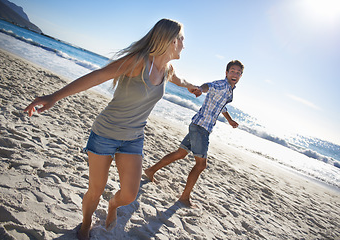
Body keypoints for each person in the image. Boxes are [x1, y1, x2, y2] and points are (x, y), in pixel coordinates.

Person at [24, 19, 201, 240]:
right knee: (95, 190)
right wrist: (54, 97)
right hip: (105, 134)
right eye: (182, 39)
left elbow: (179, 79)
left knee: (128, 195)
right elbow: (97, 76)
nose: (184, 44)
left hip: (133, 138)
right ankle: (86, 224)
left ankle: (113, 206)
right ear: (171, 40)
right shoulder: (137, 62)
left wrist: (191, 86)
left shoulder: (167, 69)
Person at [145, 60, 244, 207]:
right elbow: (208, 86)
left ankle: (150, 170)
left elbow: (221, 106)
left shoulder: (229, 91)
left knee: (180, 153)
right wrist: (199, 88)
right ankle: (184, 197)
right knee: (201, 165)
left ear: (241, 75)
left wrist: (229, 120)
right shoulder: (221, 85)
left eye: (238, 72)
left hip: (198, 126)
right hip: (201, 128)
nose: (235, 74)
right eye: (233, 71)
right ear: (226, 72)